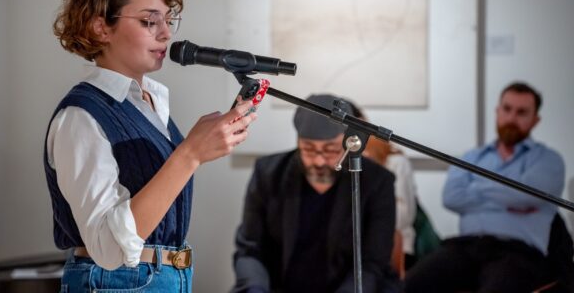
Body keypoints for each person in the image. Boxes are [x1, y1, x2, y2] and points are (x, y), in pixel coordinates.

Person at [44, 0, 257, 292]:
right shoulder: (80, 117)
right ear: (101, 26)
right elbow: (108, 249)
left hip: (164, 278)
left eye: (168, 21)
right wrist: (189, 154)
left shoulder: (151, 104)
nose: (165, 35)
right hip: (118, 282)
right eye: (149, 21)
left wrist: (198, 149)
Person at [405, 82, 565, 293]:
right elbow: (452, 197)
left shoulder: (548, 160)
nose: (512, 118)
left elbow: (526, 196)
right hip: (465, 247)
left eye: (521, 112)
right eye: (507, 109)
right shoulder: (471, 157)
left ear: (535, 120)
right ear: (497, 111)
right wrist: (509, 193)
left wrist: (477, 189)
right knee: (409, 285)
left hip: (518, 252)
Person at [232, 94, 400, 293]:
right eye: (309, 150)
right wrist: (255, 289)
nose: (319, 162)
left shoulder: (377, 181)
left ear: (348, 142)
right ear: (298, 142)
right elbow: (250, 249)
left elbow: (373, 263)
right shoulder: (268, 174)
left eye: (330, 150)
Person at [348, 103, 418, 270]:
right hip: (347, 247)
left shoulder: (393, 159)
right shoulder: (333, 162)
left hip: (389, 246)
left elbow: (404, 216)